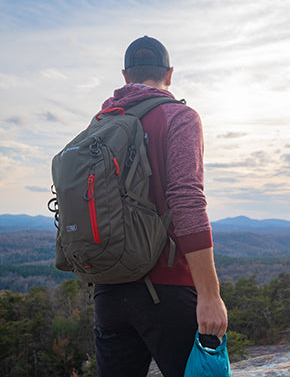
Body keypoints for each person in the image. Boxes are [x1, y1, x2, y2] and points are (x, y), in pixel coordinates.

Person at [93, 36, 228, 377]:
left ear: (125, 76)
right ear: (169, 74)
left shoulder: (99, 123)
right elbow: (187, 201)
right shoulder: (178, 117)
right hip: (166, 289)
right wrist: (209, 295)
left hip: (109, 290)